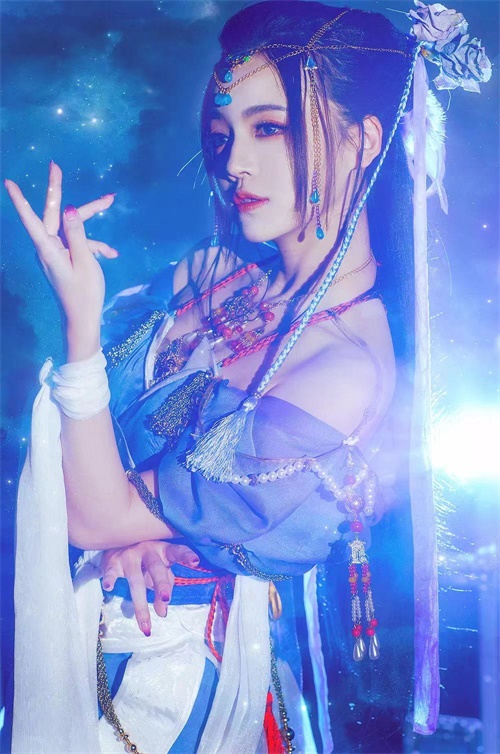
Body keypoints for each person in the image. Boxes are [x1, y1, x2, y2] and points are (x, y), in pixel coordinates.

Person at [5, 2, 491, 753]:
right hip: (84, 643)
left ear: (362, 140)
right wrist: (132, 526)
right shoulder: (213, 271)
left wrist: (81, 337)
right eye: (224, 134)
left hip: (179, 689)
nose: (234, 162)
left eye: (271, 129)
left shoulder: (343, 368)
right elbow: (94, 480)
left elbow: (95, 511)